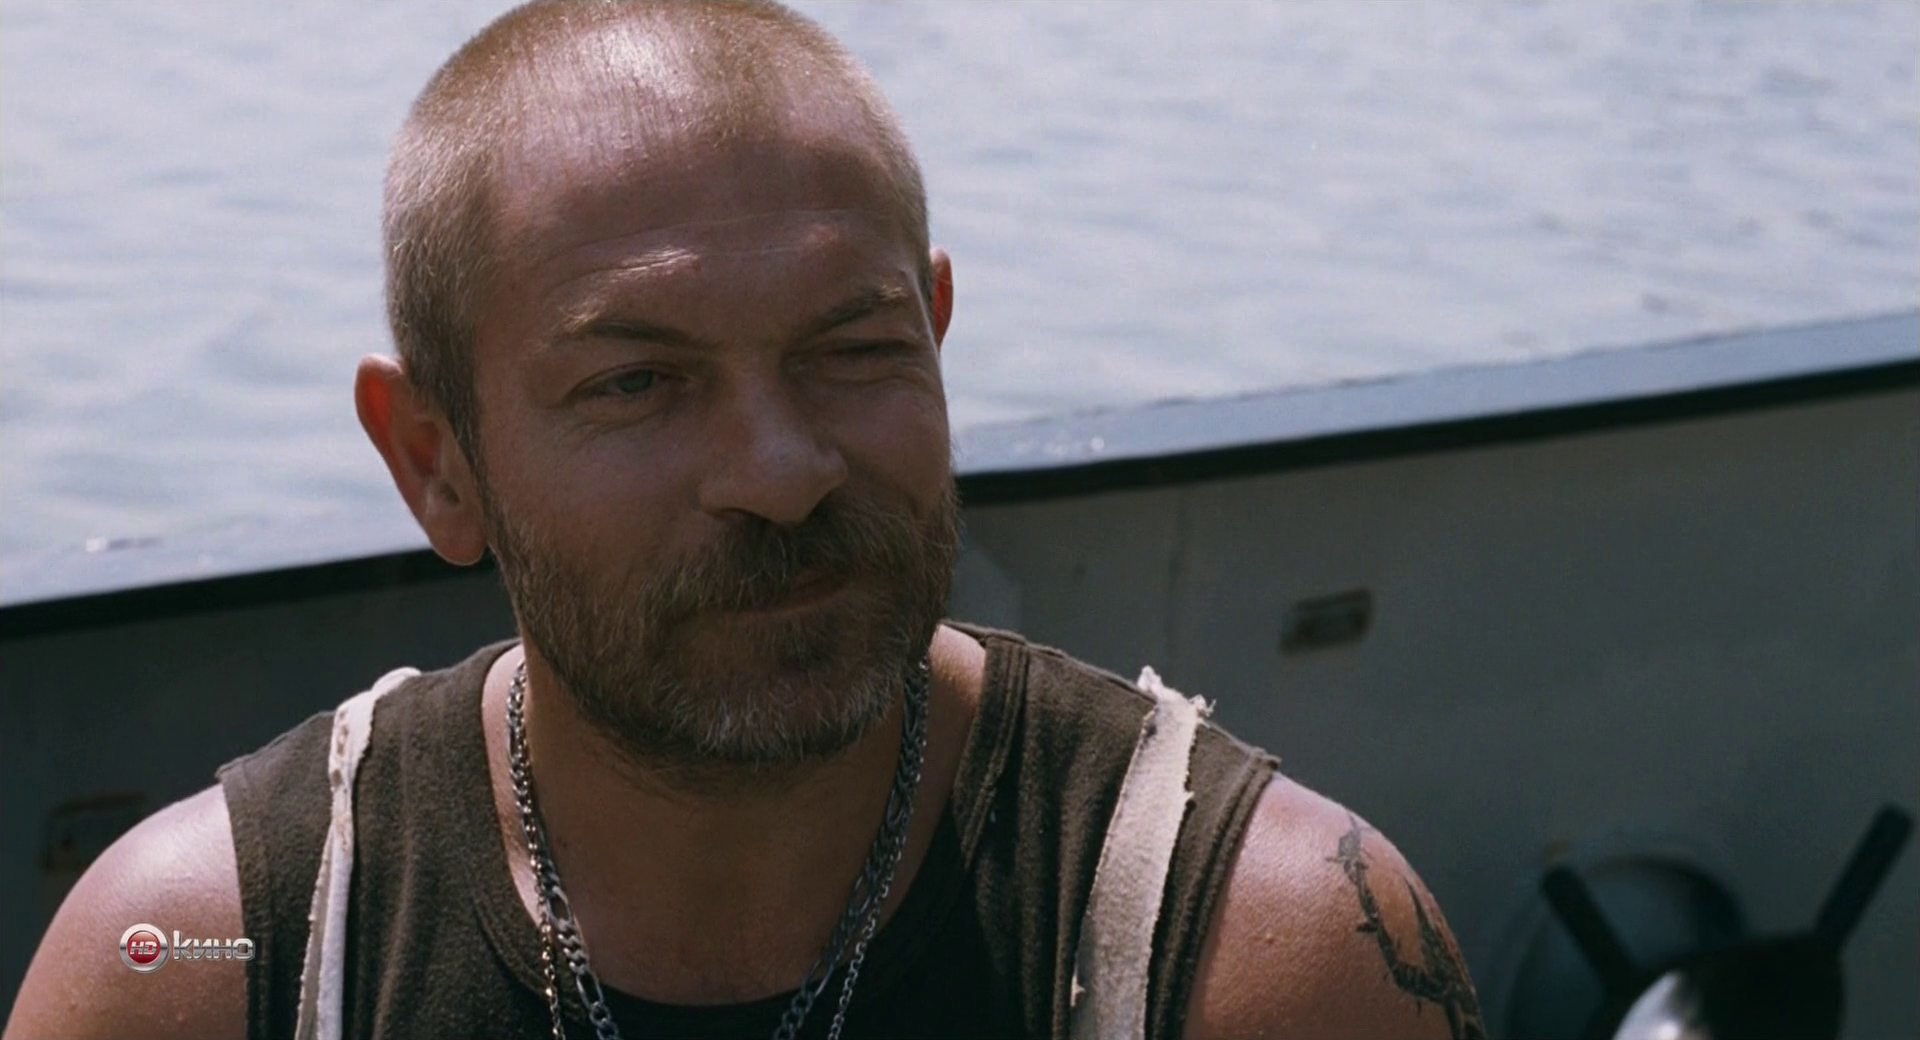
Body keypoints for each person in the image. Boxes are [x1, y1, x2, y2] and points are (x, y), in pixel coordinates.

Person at [5, 2, 1485, 1038]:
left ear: (938, 334)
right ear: (434, 464)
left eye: (854, 350)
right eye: (638, 383)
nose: (781, 472)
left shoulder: (1255, 955)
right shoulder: (213, 967)